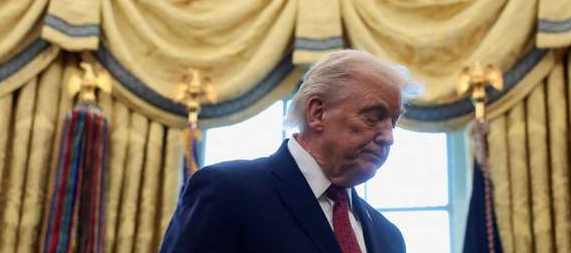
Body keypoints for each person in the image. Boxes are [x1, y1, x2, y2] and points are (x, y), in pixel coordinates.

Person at [159, 49, 412, 253]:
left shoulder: (387, 236)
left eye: (393, 122)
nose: (388, 138)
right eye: (373, 117)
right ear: (317, 113)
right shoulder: (227, 192)